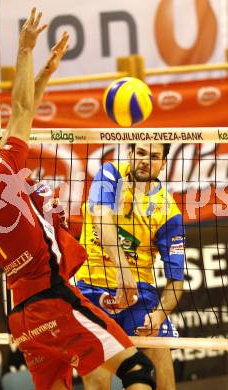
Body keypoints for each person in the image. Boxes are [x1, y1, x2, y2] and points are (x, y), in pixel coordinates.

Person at [0, 8, 156, 390]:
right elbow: (22, 109)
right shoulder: (2, 172)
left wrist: (46, 73)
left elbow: (22, 110)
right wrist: (25, 50)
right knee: (138, 371)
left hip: (24, 317)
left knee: (85, 379)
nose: (2, 140)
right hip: (53, 297)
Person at [77, 143, 185, 390]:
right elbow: (100, 219)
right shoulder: (109, 175)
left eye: (155, 156)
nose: (146, 160)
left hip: (140, 298)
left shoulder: (168, 211)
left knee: (164, 382)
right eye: (141, 153)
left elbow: (176, 283)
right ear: (130, 154)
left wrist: (159, 315)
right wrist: (122, 269)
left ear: (163, 163)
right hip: (91, 290)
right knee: (96, 383)